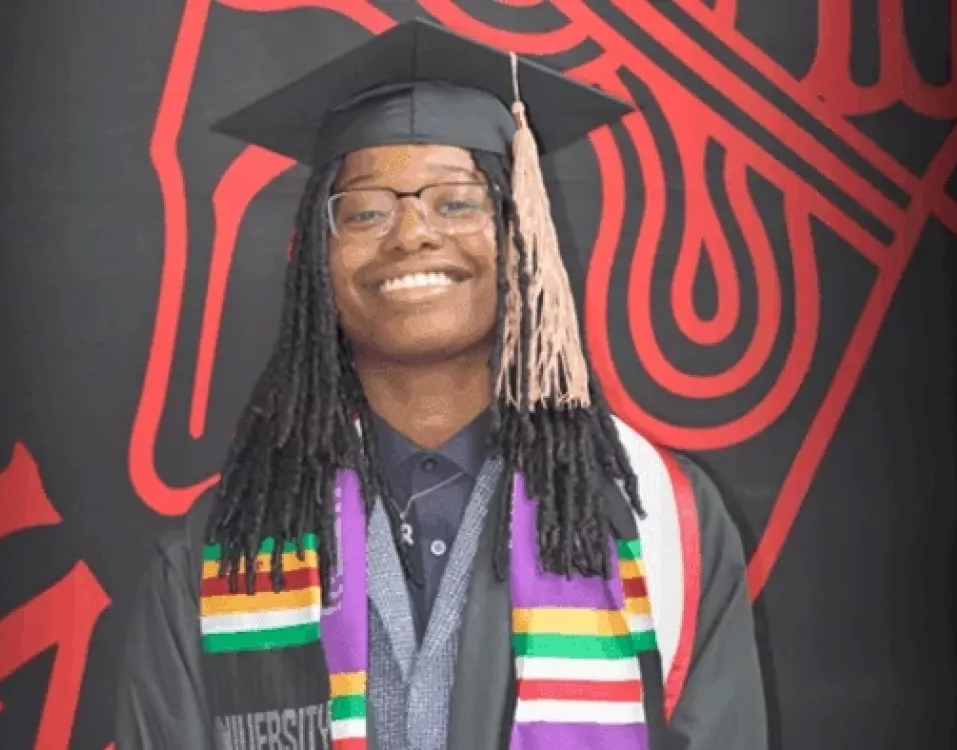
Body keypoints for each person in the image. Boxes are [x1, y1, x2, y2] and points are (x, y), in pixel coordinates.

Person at [114, 19, 768, 750]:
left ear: (524, 237)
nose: (411, 235)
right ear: (314, 261)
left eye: (457, 201)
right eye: (363, 210)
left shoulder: (656, 524)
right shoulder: (222, 552)